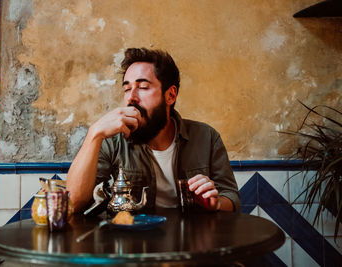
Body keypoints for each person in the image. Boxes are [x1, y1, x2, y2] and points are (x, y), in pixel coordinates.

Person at [66, 48, 240, 212]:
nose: (131, 98)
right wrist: (94, 134)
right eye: (127, 89)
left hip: (193, 241)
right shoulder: (113, 139)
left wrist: (215, 203)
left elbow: (232, 198)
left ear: (170, 95)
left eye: (142, 87)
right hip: (134, 241)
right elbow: (73, 203)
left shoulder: (206, 137)